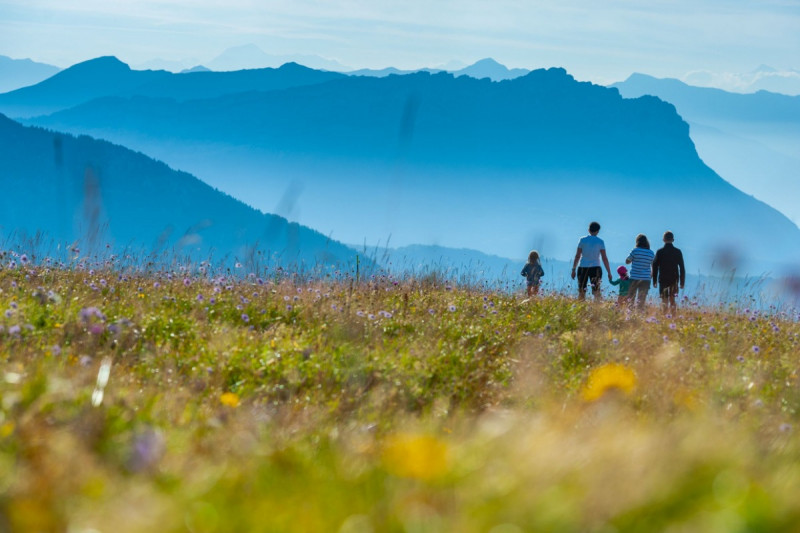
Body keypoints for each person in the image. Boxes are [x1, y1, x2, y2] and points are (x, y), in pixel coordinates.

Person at [571, 221, 613, 300]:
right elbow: (604, 258)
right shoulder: (600, 242)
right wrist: (609, 272)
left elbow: (577, 256)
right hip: (596, 267)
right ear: (598, 231)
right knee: (596, 291)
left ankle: (581, 309)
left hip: (583, 267)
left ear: (588, 230)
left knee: (581, 291)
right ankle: (597, 309)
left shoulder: (582, 240)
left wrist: (573, 269)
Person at [652, 231, 685, 312]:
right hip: (674, 279)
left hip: (663, 278)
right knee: (672, 299)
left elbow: (655, 266)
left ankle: (664, 316)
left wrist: (654, 280)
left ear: (663, 239)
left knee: (664, 300)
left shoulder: (660, 252)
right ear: (673, 240)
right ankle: (673, 316)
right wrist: (682, 282)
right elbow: (682, 267)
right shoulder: (678, 251)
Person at [625, 234, 655, 310]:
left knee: (631, 298)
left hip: (634, 277)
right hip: (645, 279)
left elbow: (627, 261)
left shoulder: (635, 251)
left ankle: (630, 314)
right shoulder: (651, 253)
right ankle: (639, 314)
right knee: (641, 300)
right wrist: (650, 275)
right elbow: (653, 266)